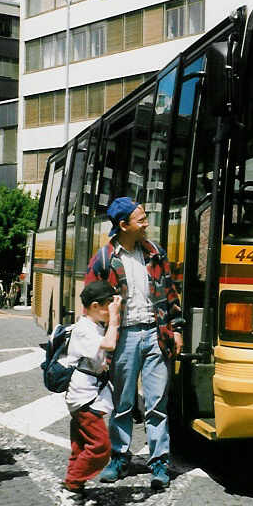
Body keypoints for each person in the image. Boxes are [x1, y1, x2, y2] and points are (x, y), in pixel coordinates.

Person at [87, 197, 183, 491]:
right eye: (141, 220)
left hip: (157, 333)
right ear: (123, 225)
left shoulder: (155, 253)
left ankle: (159, 463)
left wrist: (177, 329)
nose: (146, 224)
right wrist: (99, 342)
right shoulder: (103, 259)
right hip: (124, 336)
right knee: (123, 403)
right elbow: (90, 303)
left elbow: (170, 292)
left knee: (157, 403)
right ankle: (119, 458)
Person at [59, 281, 121, 506]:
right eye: (108, 305)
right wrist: (114, 319)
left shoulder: (93, 324)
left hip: (89, 393)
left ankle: (76, 491)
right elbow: (109, 344)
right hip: (84, 397)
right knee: (100, 447)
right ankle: (71, 488)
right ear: (95, 306)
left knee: (81, 446)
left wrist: (111, 316)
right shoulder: (83, 328)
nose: (112, 309)